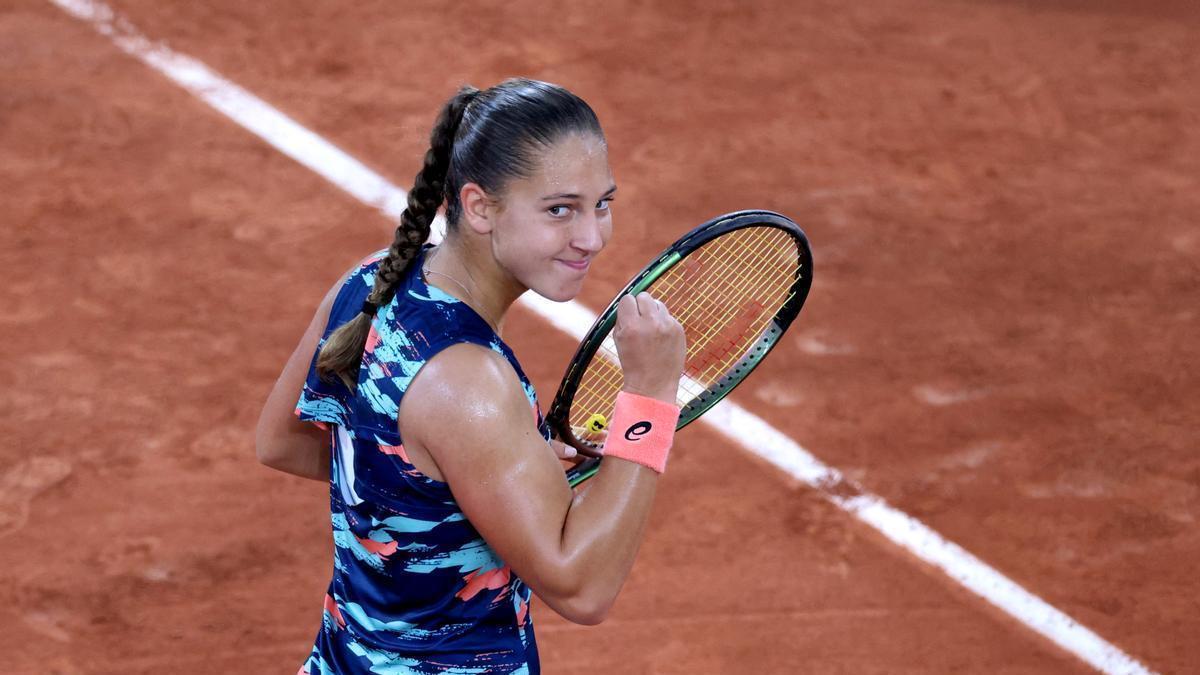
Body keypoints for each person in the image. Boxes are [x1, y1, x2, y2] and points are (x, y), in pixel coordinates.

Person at [255, 78, 686, 674]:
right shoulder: (469, 383)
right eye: (560, 210)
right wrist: (650, 394)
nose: (592, 237)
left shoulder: (371, 284)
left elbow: (283, 442)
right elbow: (583, 589)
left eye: (602, 203)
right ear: (481, 206)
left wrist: (467, 477)